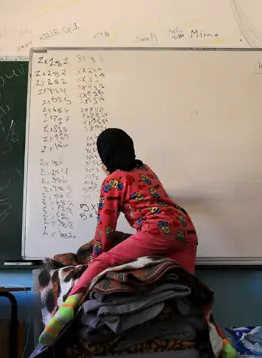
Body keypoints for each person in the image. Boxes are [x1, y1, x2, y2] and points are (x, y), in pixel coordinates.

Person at [39, 128, 197, 346]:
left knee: (104, 260)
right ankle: (223, 345)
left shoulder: (113, 182)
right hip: (186, 230)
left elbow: (105, 228)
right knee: (193, 291)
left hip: (158, 230)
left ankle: (65, 311)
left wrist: (95, 259)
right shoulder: (145, 169)